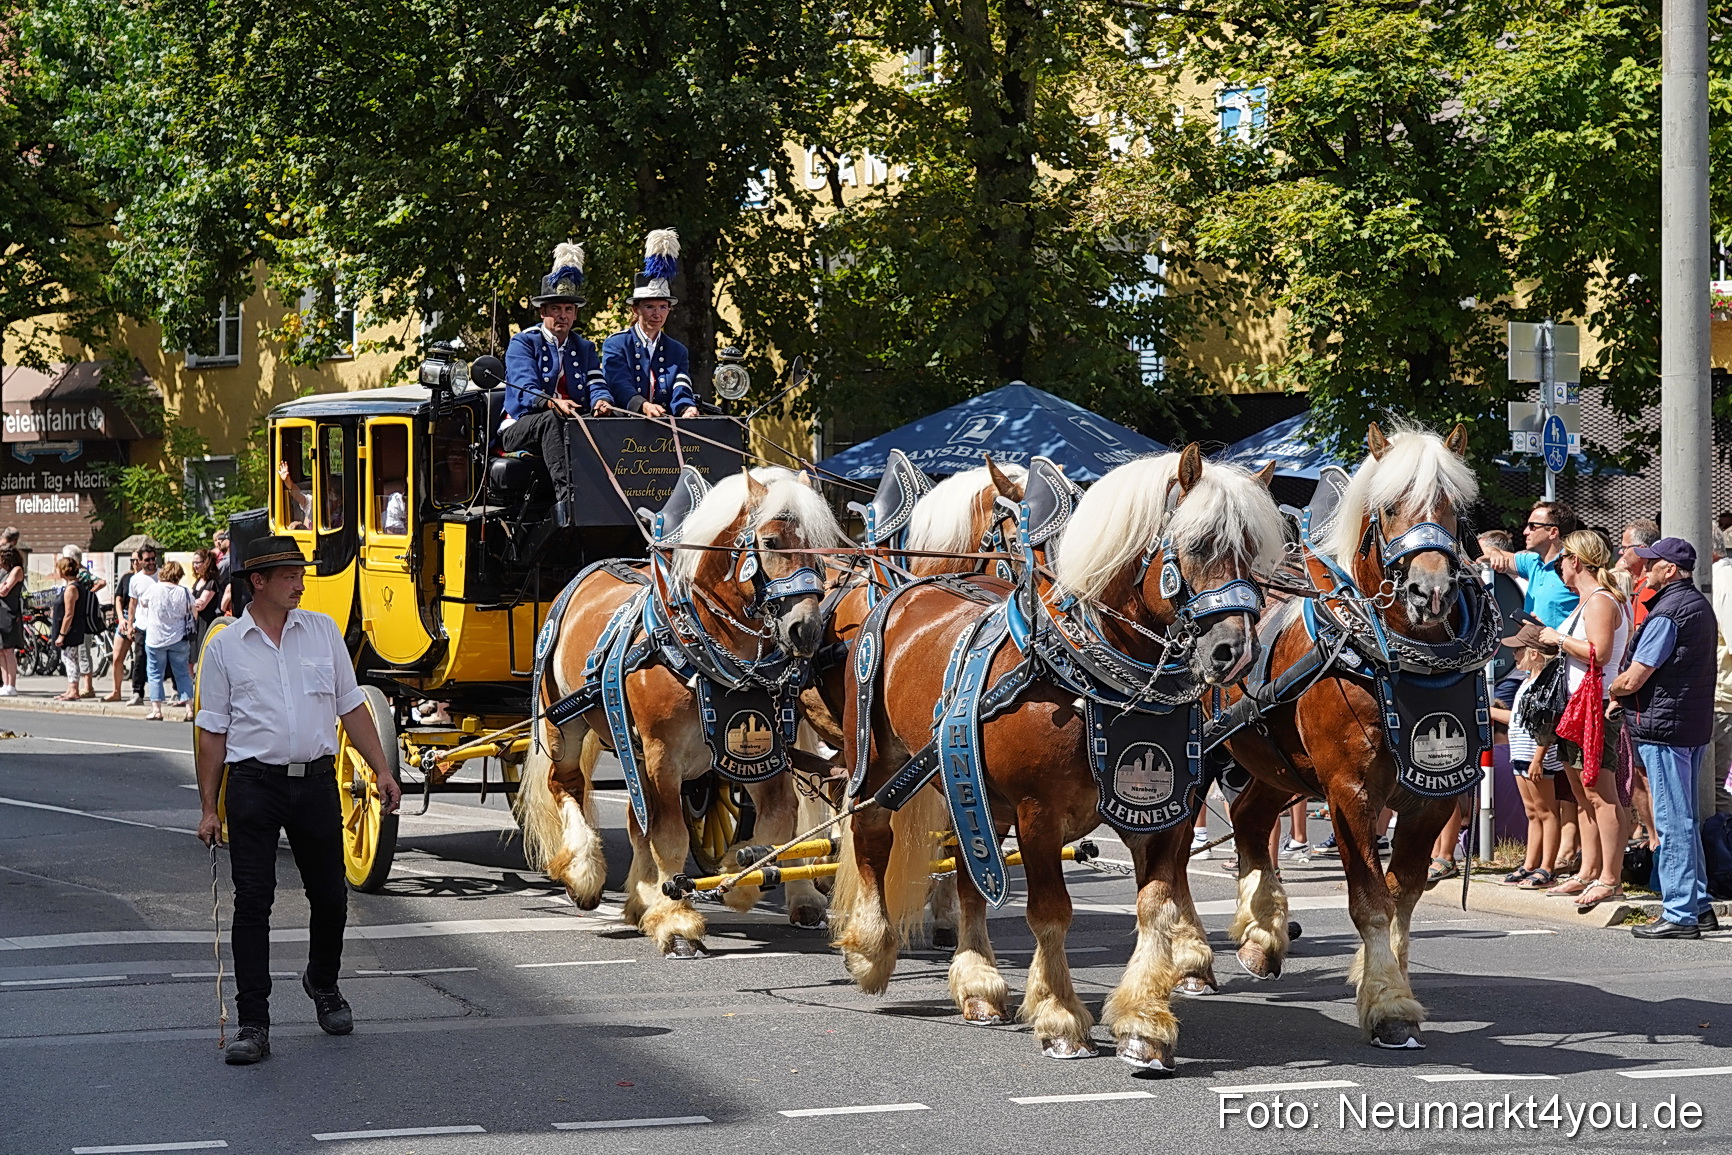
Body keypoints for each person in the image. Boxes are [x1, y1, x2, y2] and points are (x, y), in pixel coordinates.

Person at [194, 535, 402, 1064]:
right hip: (253, 785)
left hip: (315, 782)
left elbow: (351, 705)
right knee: (253, 903)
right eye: (289, 575)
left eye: (300, 574)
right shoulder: (225, 647)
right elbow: (212, 731)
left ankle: (322, 982)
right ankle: (253, 1022)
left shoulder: (323, 631)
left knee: (330, 896)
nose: (300, 584)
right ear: (258, 582)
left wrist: (382, 769)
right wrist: (208, 808)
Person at [1611, 537, 1717, 939]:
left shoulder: (1669, 612)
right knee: (1684, 817)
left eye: (1653, 562)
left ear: (1670, 570)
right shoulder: (1696, 605)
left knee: (1673, 821)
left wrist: (1614, 691)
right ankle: (1698, 906)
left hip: (1665, 729)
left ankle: (1679, 913)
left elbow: (1636, 676)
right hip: (1687, 725)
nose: (1646, 567)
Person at [1538, 531, 1631, 911]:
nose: (1559, 566)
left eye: (1562, 559)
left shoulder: (1601, 600)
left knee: (1600, 794)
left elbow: (1600, 653)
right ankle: (1589, 870)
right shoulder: (1589, 601)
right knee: (1581, 794)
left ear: (1575, 560)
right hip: (1576, 707)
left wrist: (1557, 639)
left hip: (1593, 708)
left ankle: (1610, 877)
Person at [499, 241, 604, 512]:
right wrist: (552, 402)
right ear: (543, 312)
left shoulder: (584, 347)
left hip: (571, 422)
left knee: (610, 421)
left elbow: (596, 384)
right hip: (522, 425)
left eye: (568, 309)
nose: (563, 316)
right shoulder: (523, 342)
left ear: (575, 314)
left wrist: (602, 402)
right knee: (551, 419)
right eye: (556, 309)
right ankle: (569, 502)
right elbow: (525, 389)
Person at [597, 228, 701, 420]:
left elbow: (681, 386)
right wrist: (643, 406)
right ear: (635, 309)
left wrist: (686, 408)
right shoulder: (616, 344)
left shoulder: (677, 350)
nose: (657, 314)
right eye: (650, 307)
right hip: (623, 425)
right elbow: (618, 383)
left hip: (664, 423)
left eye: (663, 307)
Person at [1495, 634, 1567, 889]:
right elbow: (1517, 717)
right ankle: (1530, 863)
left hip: (1536, 756)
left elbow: (1547, 723)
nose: (1513, 656)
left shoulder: (1545, 684)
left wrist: (1539, 758)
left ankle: (1547, 867)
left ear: (1534, 654)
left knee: (1546, 812)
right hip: (1521, 754)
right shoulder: (1527, 682)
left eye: (1518, 650)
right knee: (1532, 811)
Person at [1482, 500, 1581, 630]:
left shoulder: (1575, 566)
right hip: (1530, 641)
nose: (1525, 532)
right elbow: (1480, 550)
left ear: (1553, 532)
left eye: (1532, 526)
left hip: (1558, 643)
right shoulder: (1532, 561)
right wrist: (1494, 552)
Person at [139, 560, 195, 722]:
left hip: (156, 638)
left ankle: (157, 710)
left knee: (155, 674)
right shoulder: (184, 592)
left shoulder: (153, 589)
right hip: (179, 638)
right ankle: (189, 709)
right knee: (183, 673)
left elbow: (143, 603)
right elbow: (193, 611)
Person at [123, 544, 160, 705]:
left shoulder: (162, 575)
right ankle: (137, 692)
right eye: (147, 560)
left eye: (153, 559)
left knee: (165, 659)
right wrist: (130, 625)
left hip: (160, 625)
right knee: (139, 659)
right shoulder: (135, 579)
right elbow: (133, 603)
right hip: (142, 625)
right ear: (140, 561)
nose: (151, 562)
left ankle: (172, 691)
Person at [50, 557, 88, 702]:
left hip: (71, 630)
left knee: (70, 658)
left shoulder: (72, 588)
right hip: (72, 629)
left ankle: (73, 690)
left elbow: (69, 614)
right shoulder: (73, 586)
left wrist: (62, 634)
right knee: (68, 658)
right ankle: (70, 689)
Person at [191, 548, 223, 655]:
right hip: (196, 623)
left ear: (206, 563)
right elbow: (193, 602)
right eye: (193, 562)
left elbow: (201, 605)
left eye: (197, 562)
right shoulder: (198, 581)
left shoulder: (212, 582)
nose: (194, 565)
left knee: (203, 654)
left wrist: (190, 603)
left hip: (206, 623)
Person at [0, 546, 23, 696]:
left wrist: (2, 588)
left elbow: (4, 591)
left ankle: (12, 685)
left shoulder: (16, 570)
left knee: (8, 650)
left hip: (9, 613)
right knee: (1, 650)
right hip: (0, 612)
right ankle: (5, 683)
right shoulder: (3, 572)